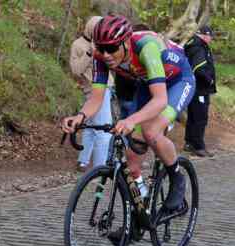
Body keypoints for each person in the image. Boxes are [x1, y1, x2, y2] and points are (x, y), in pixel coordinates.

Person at [62, 15, 195, 222]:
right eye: (101, 48)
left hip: (178, 81)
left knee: (151, 131)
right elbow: (96, 99)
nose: (106, 54)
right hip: (147, 83)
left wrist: (132, 121)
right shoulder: (101, 55)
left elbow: (160, 100)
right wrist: (80, 117)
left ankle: (177, 177)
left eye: (111, 48)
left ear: (125, 42)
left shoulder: (146, 46)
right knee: (132, 166)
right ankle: (139, 220)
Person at [69, 16, 112, 171]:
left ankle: (83, 161)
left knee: (91, 128)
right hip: (92, 90)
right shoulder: (78, 45)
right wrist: (89, 53)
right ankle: (100, 167)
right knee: (104, 130)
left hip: (105, 88)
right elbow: (76, 71)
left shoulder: (103, 44)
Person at [184, 25, 216, 158]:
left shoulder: (193, 44)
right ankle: (198, 146)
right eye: (210, 36)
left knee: (193, 116)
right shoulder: (199, 47)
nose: (211, 39)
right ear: (204, 35)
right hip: (200, 88)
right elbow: (199, 68)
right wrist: (210, 80)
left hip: (193, 87)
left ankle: (189, 143)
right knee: (200, 118)